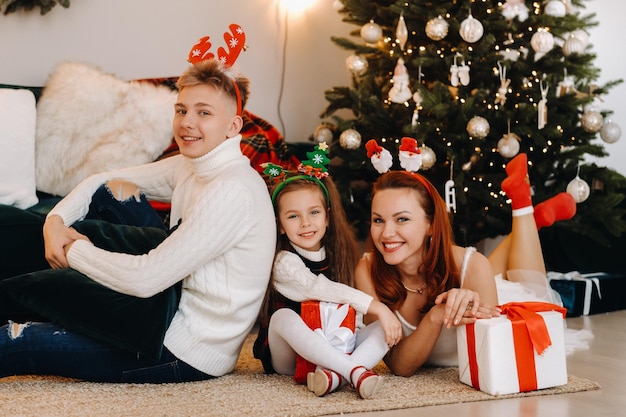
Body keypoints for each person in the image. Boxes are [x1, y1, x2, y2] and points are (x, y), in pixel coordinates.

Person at [0, 58, 276, 383]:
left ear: (233, 126)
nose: (187, 122)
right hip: (166, 300)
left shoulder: (232, 190)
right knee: (109, 196)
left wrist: (73, 251)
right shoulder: (193, 164)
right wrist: (55, 222)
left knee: (16, 341)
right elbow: (105, 179)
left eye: (204, 112)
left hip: (183, 347)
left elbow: (147, 280)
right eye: (181, 110)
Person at [355, 152, 581, 377]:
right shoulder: (367, 270)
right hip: (463, 275)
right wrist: (435, 316)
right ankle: (530, 221)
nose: (386, 233)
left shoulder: (472, 266)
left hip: (489, 291)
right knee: (488, 268)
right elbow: (398, 365)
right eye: (378, 220)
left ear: (431, 225)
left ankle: (524, 211)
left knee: (529, 283)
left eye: (402, 219)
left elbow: (494, 351)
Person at [252, 161, 402, 399]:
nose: (305, 223)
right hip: (289, 356)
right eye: (293, 216)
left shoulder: (338, 255)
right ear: (280, 226)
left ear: (327, 218)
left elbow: (351, 314)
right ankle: (352, 370)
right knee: (282, 317)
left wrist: (370, 320)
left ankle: (332, 378)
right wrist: (376, 306)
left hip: (332, 346)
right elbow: (319, 288)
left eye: (314, 212)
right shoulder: (283, 262)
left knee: (384, 330)